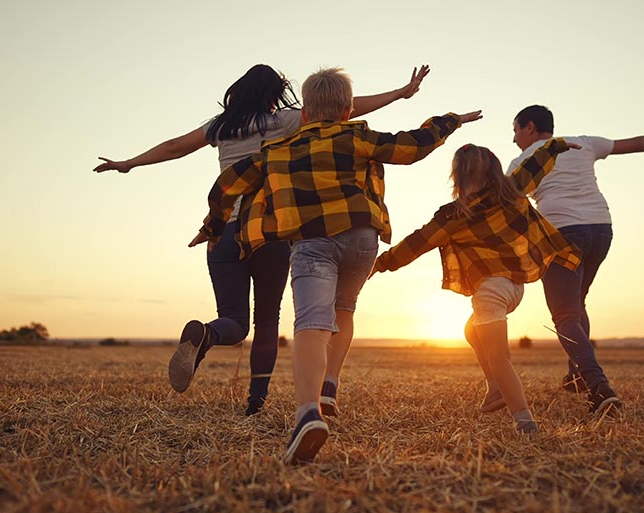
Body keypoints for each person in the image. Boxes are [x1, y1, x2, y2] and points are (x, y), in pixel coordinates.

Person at [94, 64, 431, 415]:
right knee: (267, 319)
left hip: (223, 231)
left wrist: (129, 163)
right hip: (267, 233)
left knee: (234, 321)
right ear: (275, 94)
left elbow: (175, 147)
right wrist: (399, 93)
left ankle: (207, 334)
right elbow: (341, 107)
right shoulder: (284, 121)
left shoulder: (220, 127)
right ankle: (256, 402)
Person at [196, 67, 481, 463]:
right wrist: (449, 121)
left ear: (306, 111)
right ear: (348, 109)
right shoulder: (359, 136)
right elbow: (413, 146)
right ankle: (330, 383)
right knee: (343, 309)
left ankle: (308, 413)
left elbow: (227, 186)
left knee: (311, 323)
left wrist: (213, 226)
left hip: (313, 243)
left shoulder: (278, 152)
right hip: (362, 239)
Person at [372, 140, 579, 433]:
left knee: (499, 357)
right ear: (494, 169)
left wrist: (381, 262)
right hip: (515, 287)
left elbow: (417, 243)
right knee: (471, 330)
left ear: (457, 176)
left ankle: (525, 422)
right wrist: (555, 146)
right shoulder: (514, 189)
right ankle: (495, 387)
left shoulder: (454, 214)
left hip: (490, 291)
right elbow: (533, 167)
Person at [509, 104, 644, 413]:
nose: (514, 139)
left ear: (529, 127)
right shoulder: (583, 142)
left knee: (565, 315)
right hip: (600, 230)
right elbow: (632, 144)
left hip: (561, 235)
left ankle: (598, 387)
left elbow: (507, 200)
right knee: (577, 304)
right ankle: (576, 376)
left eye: (515, 130)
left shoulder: (522, 160)